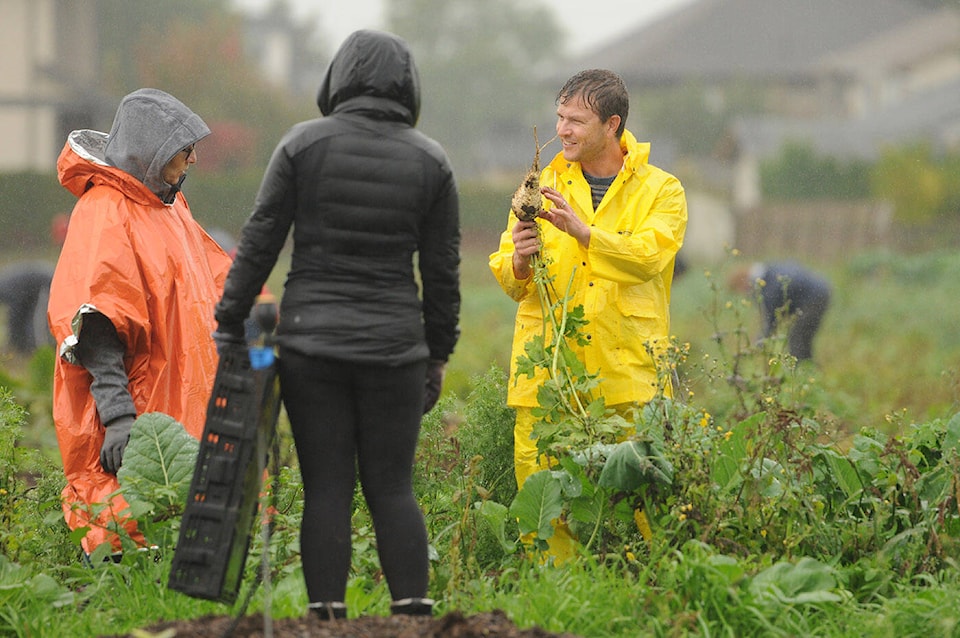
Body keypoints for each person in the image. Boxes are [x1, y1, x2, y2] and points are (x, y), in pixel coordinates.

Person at [213, 30, 461, 620]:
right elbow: (442, 272)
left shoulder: (302, 146)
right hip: (396, 348)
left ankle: (326, 618)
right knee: (392, 488)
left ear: (337, 77)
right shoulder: (431, 161)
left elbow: (259, 241)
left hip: (310, 347)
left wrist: (229, 320)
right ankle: (411, 618)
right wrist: (437, 355)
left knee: (326, 486)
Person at [489, 69, 687, 561]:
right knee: (542, 501)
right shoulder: (538, 185)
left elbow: (646, 258)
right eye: (559, 117)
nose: (562, 130)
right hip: (549, 375)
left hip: (628, 377)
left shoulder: (663, 191)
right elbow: (510, 279)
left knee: (646, 504)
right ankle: (559, 599)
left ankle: (649, 595)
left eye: (575, 120)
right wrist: (517, 259)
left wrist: (583, 232)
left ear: (612, 124)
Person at [47, 88, 233, 557]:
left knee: (179, 514)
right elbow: (95, 323)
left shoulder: (171, 206)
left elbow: (208, 286)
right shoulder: (106, 211)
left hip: (183, 394)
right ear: (151, 150)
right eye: (182, 151)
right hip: (137, 399)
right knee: (125, 517)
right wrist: (118, 416)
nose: (191, 161)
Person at [729, 261, 831, 361]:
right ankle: (807, 370)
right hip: (819, 291)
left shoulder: (768, 288)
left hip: (814, 297)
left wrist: (757, 346)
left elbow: (771, 322)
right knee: (801, 340)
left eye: (741, 290)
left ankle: (804, 371)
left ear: (744, 282)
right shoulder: (767, 271)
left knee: (798, 340)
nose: (746, 294)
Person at [0, 260, 55, 354]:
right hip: (30, 290)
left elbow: (16, 313)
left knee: (38, 323)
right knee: (28, 321)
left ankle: (42, 352)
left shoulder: (4, 290)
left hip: (45, 284)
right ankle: (27, 350)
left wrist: (13, 342)